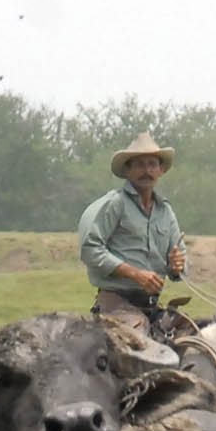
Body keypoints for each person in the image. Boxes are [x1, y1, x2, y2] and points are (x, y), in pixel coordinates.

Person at [78, 133, 186, 334]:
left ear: (161, 170)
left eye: (152, 164)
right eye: (140, 165)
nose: (147, 170)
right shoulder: (116, 204)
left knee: (192, 334)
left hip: (152, 306)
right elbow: (90, 250)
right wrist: (135, 274)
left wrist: (177, 265)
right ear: (128, 170)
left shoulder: (166, 212)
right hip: (115, 305)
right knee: (138, 341)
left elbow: (180, 257)